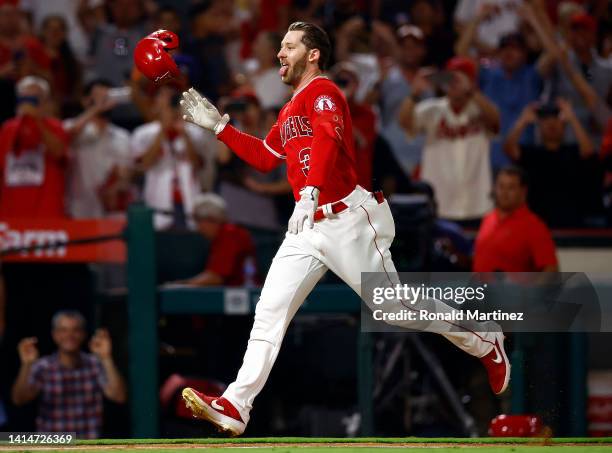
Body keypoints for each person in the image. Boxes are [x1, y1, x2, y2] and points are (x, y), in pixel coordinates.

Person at [176, 22, 510, 436]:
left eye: (289, 46)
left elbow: (329, 142)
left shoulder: (325, 92)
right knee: (269, 311)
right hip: (306, 224)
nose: (280, 53)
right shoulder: (288, 107)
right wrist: (220, 129)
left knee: (393, 307)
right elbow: (266, 157)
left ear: (313, 53)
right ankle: (236, 405)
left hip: (347, 218)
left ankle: (483, 340)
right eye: (279, 45)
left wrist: (312, 190)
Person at [399, 56, 500, 224]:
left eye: (460, 78)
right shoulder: (432, 109)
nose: (454, 82)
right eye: (450, 77)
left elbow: (496, 122)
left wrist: (472, 91)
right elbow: (405, 122)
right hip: (440, 204)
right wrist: (415, 93)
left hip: (478, 204)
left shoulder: (481, 109)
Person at [11, 310, 126, 439]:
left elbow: (119, 396)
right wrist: (26, 364)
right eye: (63, 330)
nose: (69, 335)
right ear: (54, 335)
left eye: (75, 330)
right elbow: (19, 399)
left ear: (83, 334)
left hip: (86, 446)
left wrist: (106, 358)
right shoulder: (44, 366)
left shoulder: (95, 364)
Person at [131, 89, 217, 230]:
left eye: (172, 100)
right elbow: (144, 164)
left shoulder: (194, 132)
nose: (170, 105)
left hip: (188, 199)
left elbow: (198, 164)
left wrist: (184, 134)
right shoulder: (144, 133)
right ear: (156, 103)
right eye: (164, 98)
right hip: (158, 200)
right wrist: (163, 130)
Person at [504, 100, 597, 227]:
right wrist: (523, 121)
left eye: (556, 119)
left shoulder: (573, 151)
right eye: (546, 120)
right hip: (536, 221)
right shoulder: (531, 153)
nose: (551, 123)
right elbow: (509, 149)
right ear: (539, 125)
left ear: (564, 125)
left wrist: (572, 118)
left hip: (571, 222)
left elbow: (589, 151)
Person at [0, 76, 68, 218]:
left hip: (46, 209)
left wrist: (36, 119)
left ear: (45, 102)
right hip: (11, 209)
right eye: (24, 99)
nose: (28, 105)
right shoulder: (8, 128)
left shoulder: (55, 126)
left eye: (33, 100)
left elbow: (59, 152)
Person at [64, 79, 132, 218]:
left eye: (107, 96)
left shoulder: (122, 136)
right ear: (85, 100)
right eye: (98, 96)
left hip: (111, 213)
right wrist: (95, 108)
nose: (104, 101)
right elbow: (67, 136)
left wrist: (118, 185)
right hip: (79, 210)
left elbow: (126, 173)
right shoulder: (72, 126)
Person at [473, 166, 558, 272]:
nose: (504, 192)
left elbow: (551, 271)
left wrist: (531, 289)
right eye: (501, 186)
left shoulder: (533, 226)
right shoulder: (488, 219)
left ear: (523, 192)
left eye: (511, 187)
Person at [170, 194, 257, 287]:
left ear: (211, 219)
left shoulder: (230, 234)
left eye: (198, 221)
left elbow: (216, 278)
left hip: (243, 295)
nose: (198, 228)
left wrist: (181, 286)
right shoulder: (221, 235)